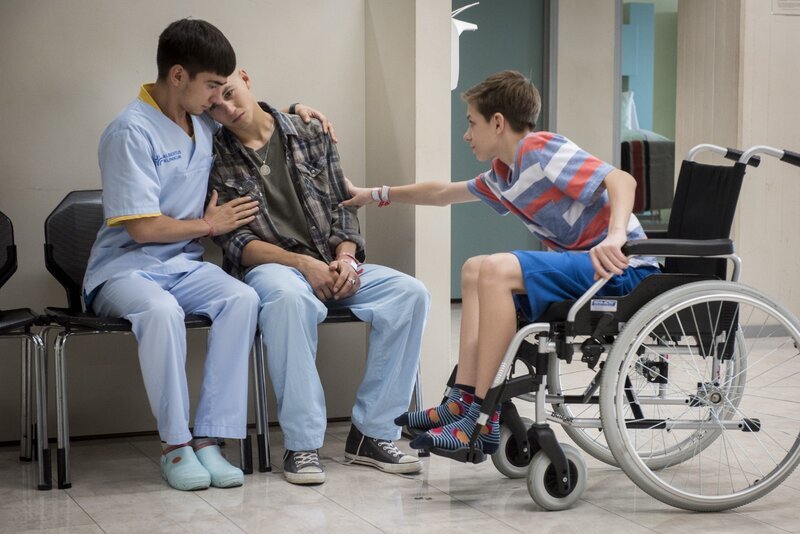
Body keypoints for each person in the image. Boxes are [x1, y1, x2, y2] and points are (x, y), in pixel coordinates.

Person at [341, 70, 660, 455]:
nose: (467, 134)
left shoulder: (540, 149)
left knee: (494, 269)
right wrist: (372, 194)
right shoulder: (504, 176)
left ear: (497, 122)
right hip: (584, 272)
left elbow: (622, 180)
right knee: (474, 268)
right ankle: (463, 401)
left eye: (471, 123)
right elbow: (442, 193)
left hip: (621, 270)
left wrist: (616, 235)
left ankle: (480, 415)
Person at [83, 19, 331, 491]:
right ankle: (175, 447)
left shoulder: (200, 122)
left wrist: (300, 111)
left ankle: (210, 440)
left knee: (241, 299)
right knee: (161, 312)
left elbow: (256, 119)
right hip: (124, 270)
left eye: (222, 86)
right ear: (178, 77)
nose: (218, 98)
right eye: (211, 86)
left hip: (182, 266)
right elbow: (141, 227)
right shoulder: (129, 132)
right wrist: (208, 226)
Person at [206, 70, 430, 485]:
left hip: (331, 262)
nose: (229, 109)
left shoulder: (309, 131)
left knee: (410, 294)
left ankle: (373, 433)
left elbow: (343, 204)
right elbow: (234, 241)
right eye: (215, 105)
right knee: (289, 301)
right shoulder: (213, 153)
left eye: (231, 94)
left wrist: (346, 259)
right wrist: (301, 265)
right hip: (271, 269)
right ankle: (302, 443)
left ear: (246, 79)